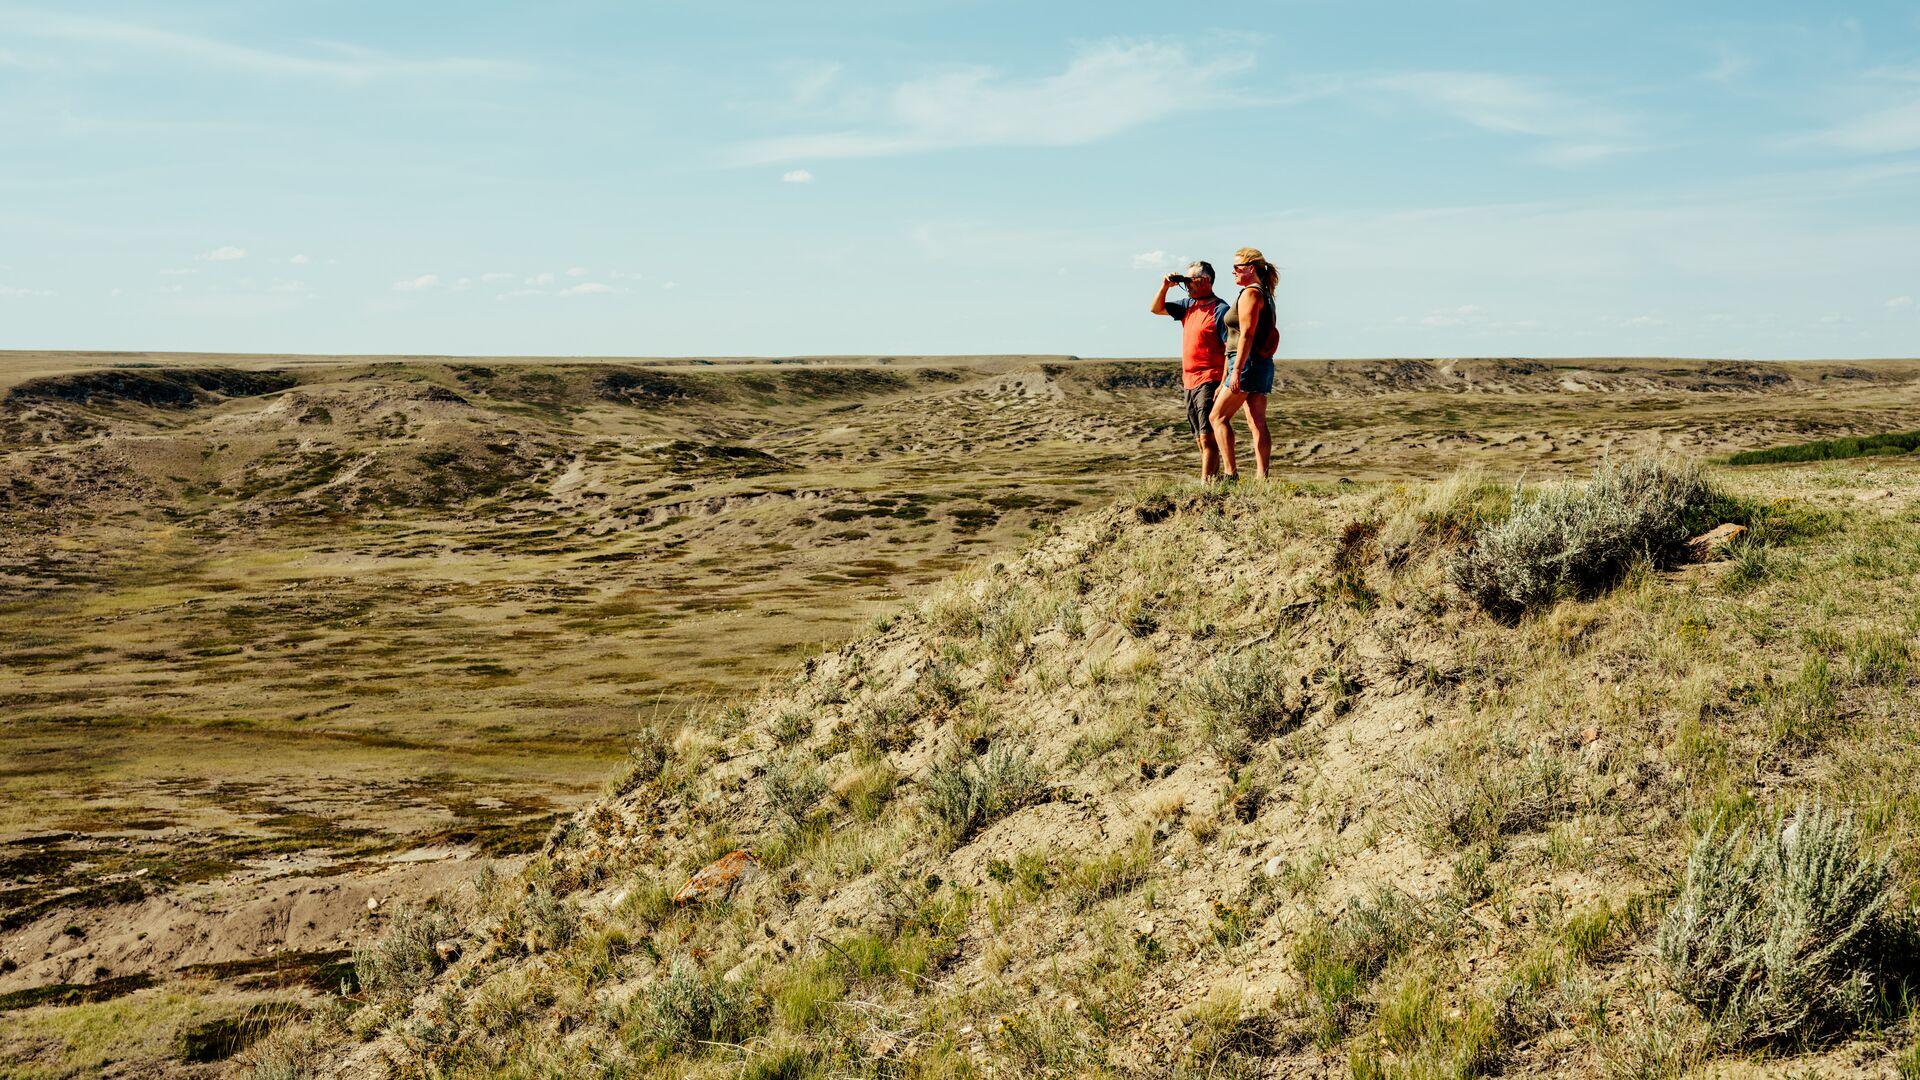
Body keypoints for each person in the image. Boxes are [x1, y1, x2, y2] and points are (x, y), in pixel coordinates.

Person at [1149, 261, 1232, 480]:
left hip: (1210, 378)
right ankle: (1213, 480)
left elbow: (1229, 350)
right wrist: (1165, 286)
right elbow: (1156, 309)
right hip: (1189, 380)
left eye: (1190, 281)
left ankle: (1207, 485)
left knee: (1207, 437)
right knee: (1199, 438)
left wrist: (1223, 383)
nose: (1188, 285)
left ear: (1205, 281)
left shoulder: (1220, 310)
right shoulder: (1188, 305)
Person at [1209, 247, 1279, 479]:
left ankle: (1231, 474)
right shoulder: (1266, 293)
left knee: (1217, 417)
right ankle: (1262, 477)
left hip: (1246, 363)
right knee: (1257, 421)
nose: (1233, 272)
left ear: (1250, 268)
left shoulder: (1250, 293)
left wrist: (1236, 370)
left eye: (1237, 267)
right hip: (1260, 363)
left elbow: (1246, 334)